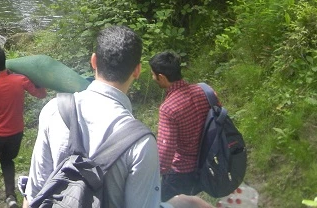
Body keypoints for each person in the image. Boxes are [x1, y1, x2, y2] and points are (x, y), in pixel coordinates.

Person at [24, 25, 211, 208]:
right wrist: (179, 204)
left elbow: (35, 194)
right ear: (137, 71)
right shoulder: (141, 144)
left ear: (94, 61)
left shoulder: (54, 109)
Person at [0, 46, 46, 208]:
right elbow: (41, 94)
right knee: (7, 160)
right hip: (16, 133)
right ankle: (11, 198)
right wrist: (38, 79)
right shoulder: (21, 80)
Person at [150, 51, 212, 201]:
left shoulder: (169, 108)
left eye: (153, 75)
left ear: (162, 77)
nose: (153, 78)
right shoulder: (204, 91)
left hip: (181, 173)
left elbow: (165, 153)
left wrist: (152, 175)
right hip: (206, 163)